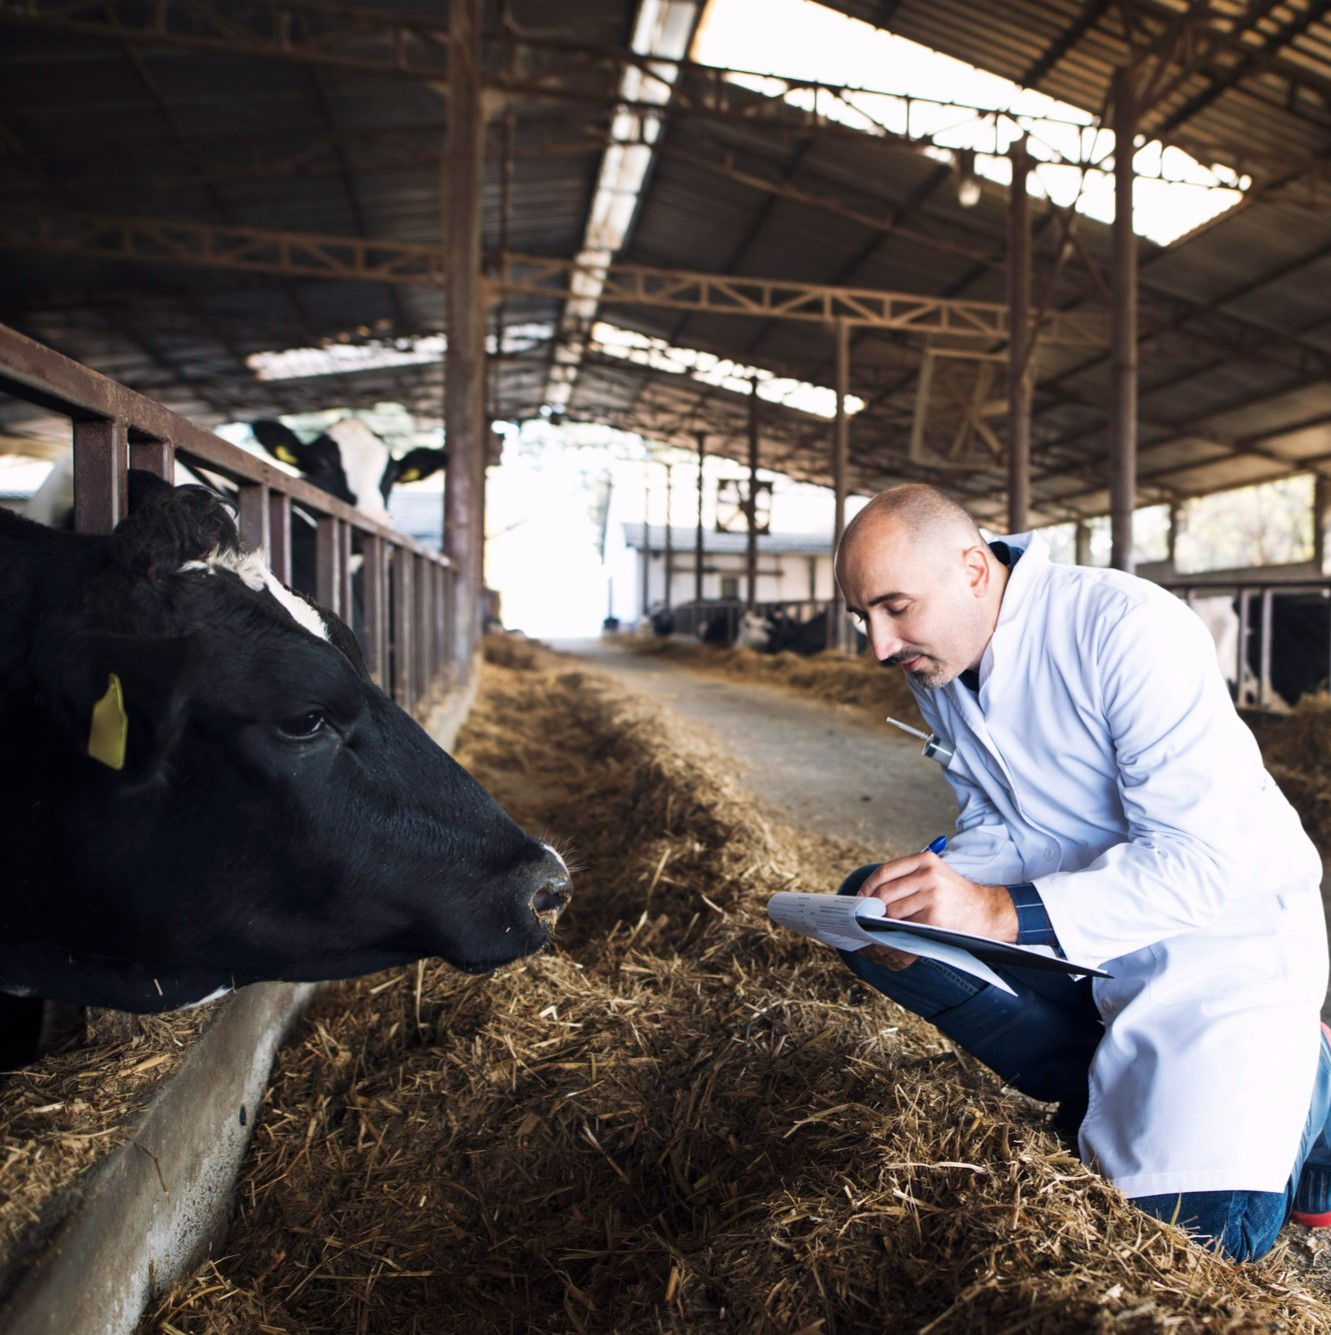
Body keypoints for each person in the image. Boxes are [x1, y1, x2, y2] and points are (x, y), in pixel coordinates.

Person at [833, 483, 1331, 1262]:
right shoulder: (940, 659)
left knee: (1202, 1242)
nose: (879, 645)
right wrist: (935, 886)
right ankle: (1100, 1080)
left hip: (1218, 941)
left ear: (971, 568)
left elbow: (1198, 865)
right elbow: (998, 821)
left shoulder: (1125, 628)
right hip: (1084, 933)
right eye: (863, 617)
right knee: (873, 905)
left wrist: (995, 912)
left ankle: (1311, 1072)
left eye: (894, 607)